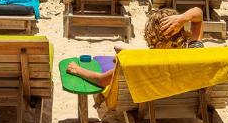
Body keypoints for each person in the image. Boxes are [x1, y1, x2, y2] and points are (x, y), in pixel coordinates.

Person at [64, 6, 205, 88]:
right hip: (184, 97)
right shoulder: (195, 53)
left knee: (118, 55)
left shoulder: (143, 62)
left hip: (152, 103)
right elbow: (198, 15)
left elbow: (102, 80)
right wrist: (182, 18)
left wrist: (77, 69)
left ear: (151, 35)